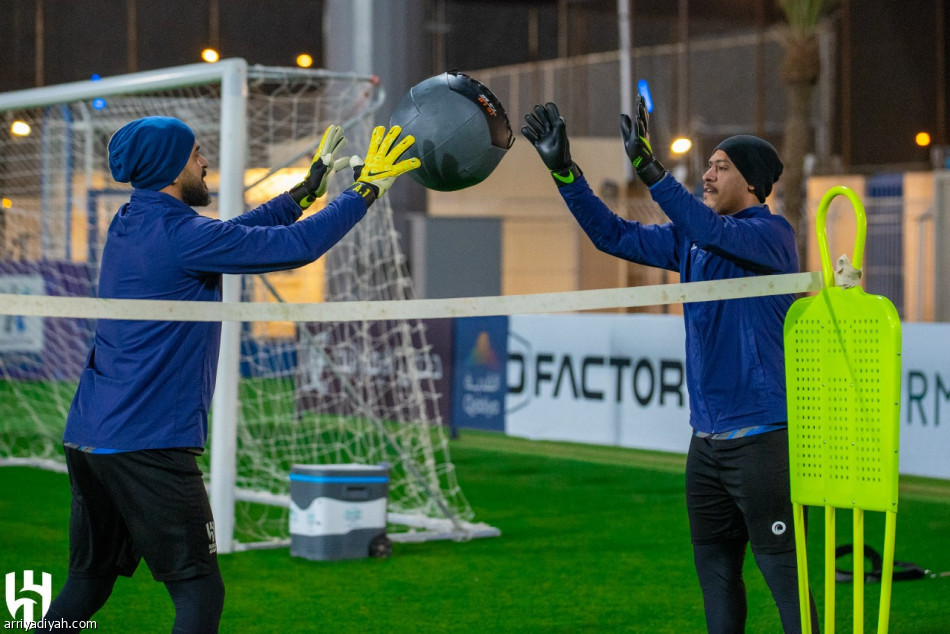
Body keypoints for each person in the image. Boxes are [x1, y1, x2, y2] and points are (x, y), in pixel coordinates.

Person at [39, 117, 419, 633]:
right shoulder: (180, 235)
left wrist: (302, 193)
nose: (205, 162)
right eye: (196, 153)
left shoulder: (130, 220)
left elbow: (229, 235)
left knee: (88, 584)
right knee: (199, 593)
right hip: (145, 443)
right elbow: (295, 248)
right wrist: (365, 191)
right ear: (171, 167)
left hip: (89, 436)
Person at [521, 98, 819, 633]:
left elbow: (711, 232)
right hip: (705, 444)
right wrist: (565, 173)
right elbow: (612, 235)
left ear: (751, 183)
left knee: (784, 576)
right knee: (716, 574)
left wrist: (653, 172)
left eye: (721, 166)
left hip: (763, 439)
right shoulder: (691, 237)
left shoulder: (770, 236)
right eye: (708, 164)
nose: (707, 172)